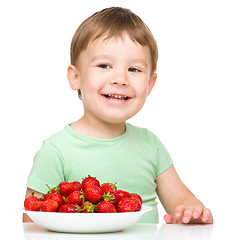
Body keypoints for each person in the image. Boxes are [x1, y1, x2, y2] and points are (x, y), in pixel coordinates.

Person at [24, 7, 213, 224]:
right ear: (75, 77)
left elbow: (181, 199)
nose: (120, 79)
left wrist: (191, 212)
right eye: (104, 65)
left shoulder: (151, 145)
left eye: (134, 69)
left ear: (150, 84)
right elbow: (32, 222)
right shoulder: (56, 150)